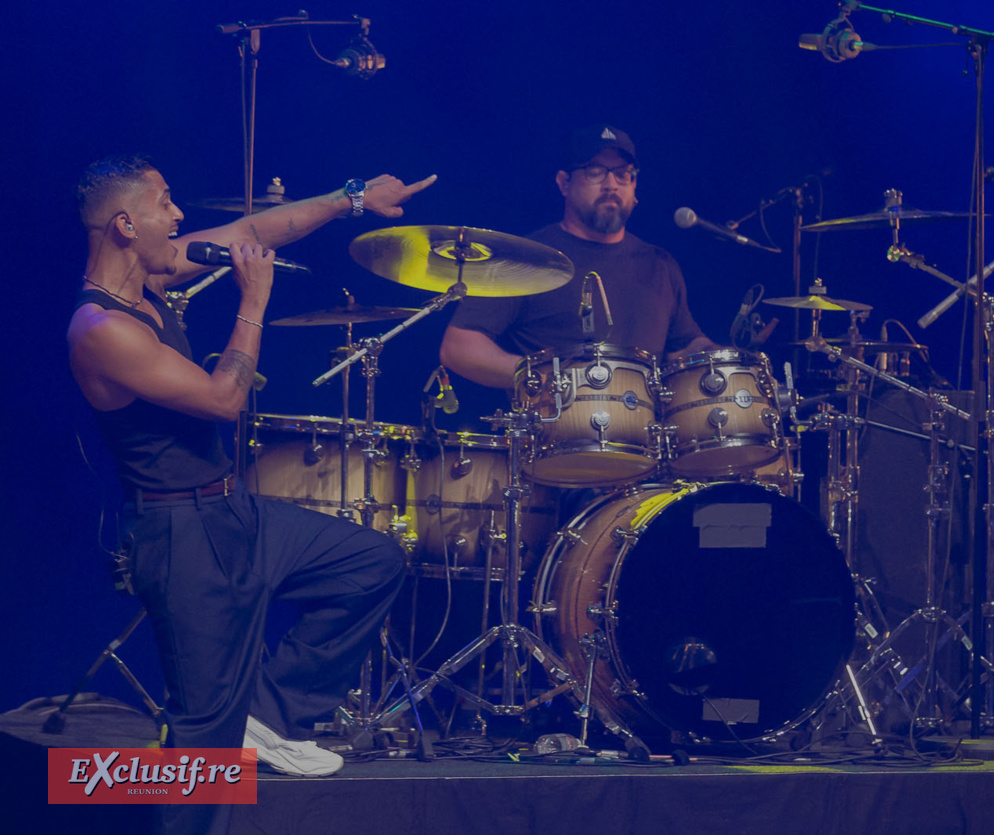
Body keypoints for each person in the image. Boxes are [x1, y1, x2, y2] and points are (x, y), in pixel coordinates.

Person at [67, 154, 435, 833]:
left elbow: (252, 226)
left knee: (372, 561)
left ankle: (266, 714)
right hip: (179, 538)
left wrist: (350, 197)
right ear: (125, 223)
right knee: (204, 760)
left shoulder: (153, 273)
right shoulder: (100, 327)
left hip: (233, 511)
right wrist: (254, 299)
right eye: (164, 202)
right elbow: (223, 398)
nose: (178, 216)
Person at [439, 124, 720, 390]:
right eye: (595, 171)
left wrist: (724, 356)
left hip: (647, 437)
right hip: (555, 430)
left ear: (635, 185)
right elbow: (460, 347)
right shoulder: (527, 258)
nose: (612, 184)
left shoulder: (659, 264)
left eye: (623, 173)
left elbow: (682, 347)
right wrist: (546, 380)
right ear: (564, 183)